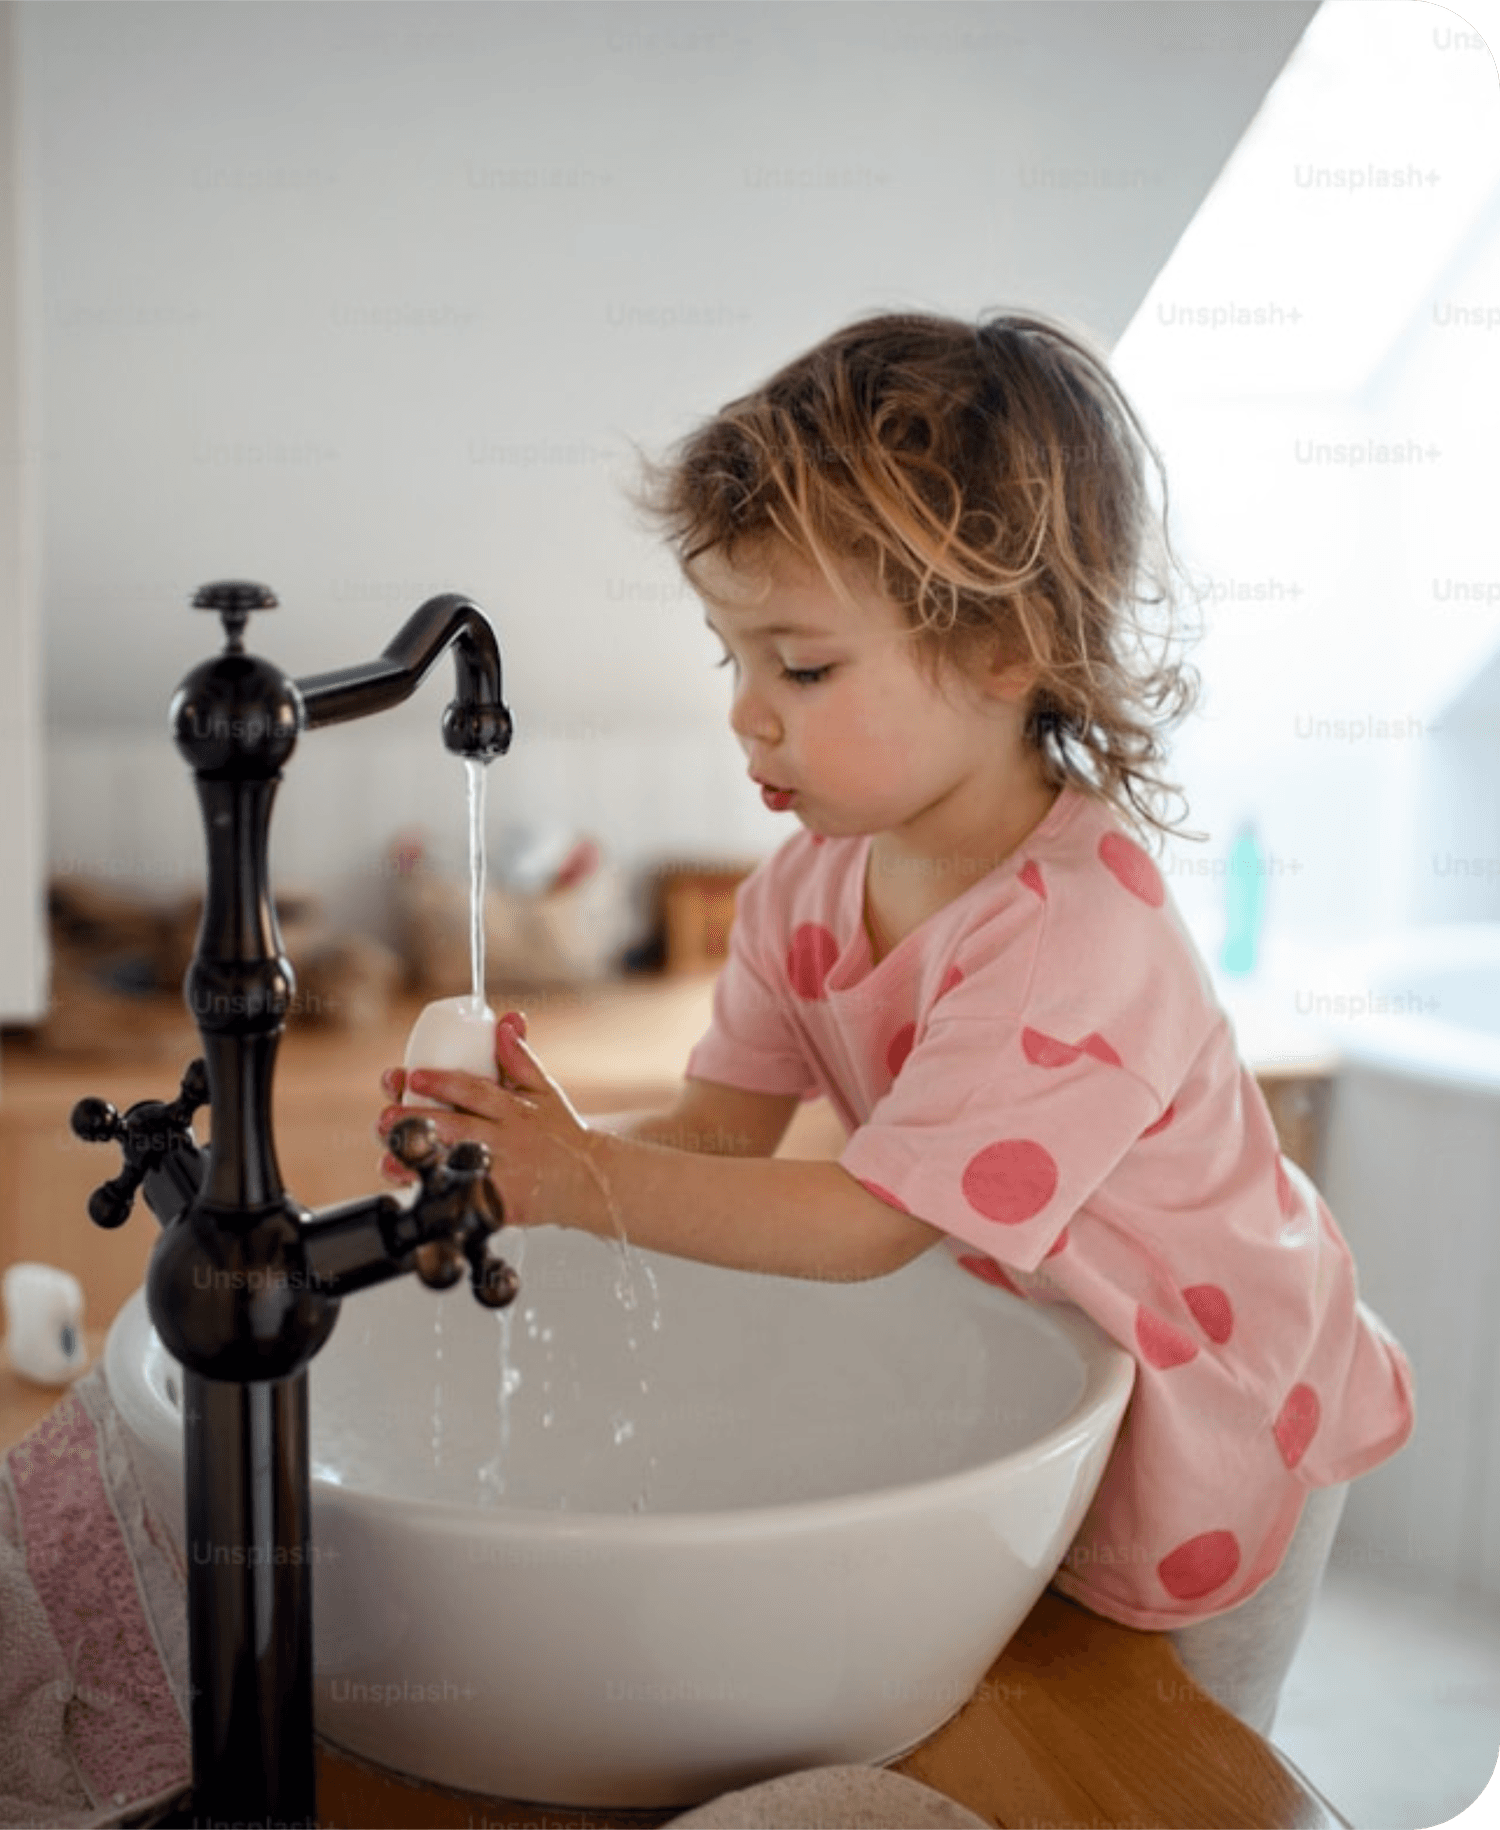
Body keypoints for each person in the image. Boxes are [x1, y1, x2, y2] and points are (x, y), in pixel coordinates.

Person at [375, 310, 1413, 1737]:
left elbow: (873, 1222)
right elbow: (715, 1137)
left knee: (1170, 1762)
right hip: (1045, 1357)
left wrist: (574, 1178)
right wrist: (524, 1152)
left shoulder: (1073, 937)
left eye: (798, 668)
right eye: (728, 656)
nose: (746, 716)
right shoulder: (803, 891)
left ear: (1004, 650)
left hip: (1223, 1398)